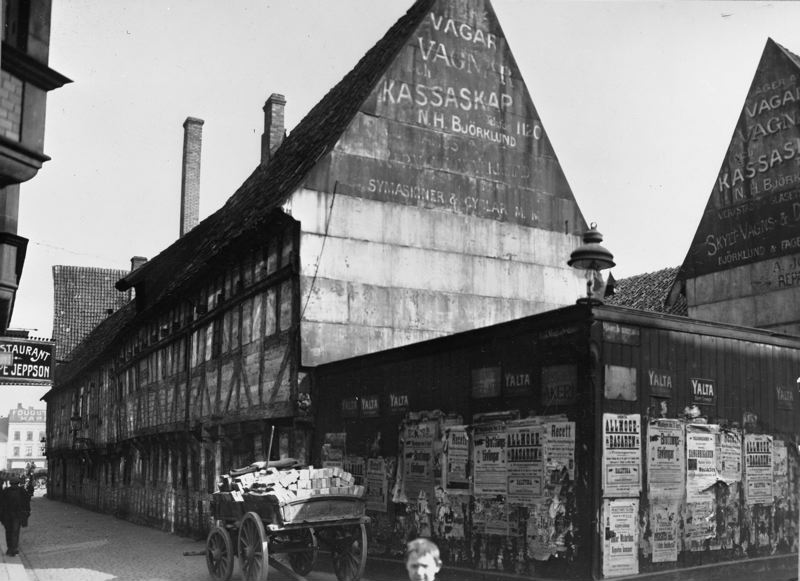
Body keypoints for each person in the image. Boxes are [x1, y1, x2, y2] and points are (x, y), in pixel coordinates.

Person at [0, 476, 31, 556]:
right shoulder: (22, 491)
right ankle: (13, 549)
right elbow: (27, 503)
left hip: (8, 516)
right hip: (15, 515)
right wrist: (27, 513)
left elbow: (1, 505)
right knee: (15, 532)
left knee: (9, 532)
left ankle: (11, 548)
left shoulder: (5, 491)